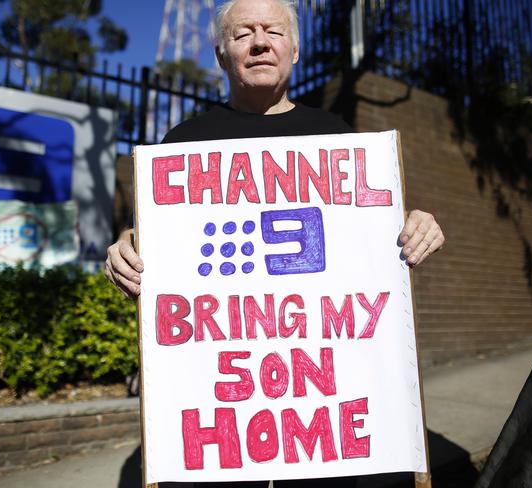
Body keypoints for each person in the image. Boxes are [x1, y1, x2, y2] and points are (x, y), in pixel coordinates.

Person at [105, 0, 444, 486]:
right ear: (222, 54)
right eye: (243, 34)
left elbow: (370, 242)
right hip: (224, 431)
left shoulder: (337, 139)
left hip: (324, 431)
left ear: (295, 49)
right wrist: (126, 245)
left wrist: (417, 224)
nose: (260, 42)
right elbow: (158, 239)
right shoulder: (182, 143)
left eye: (274, 31)